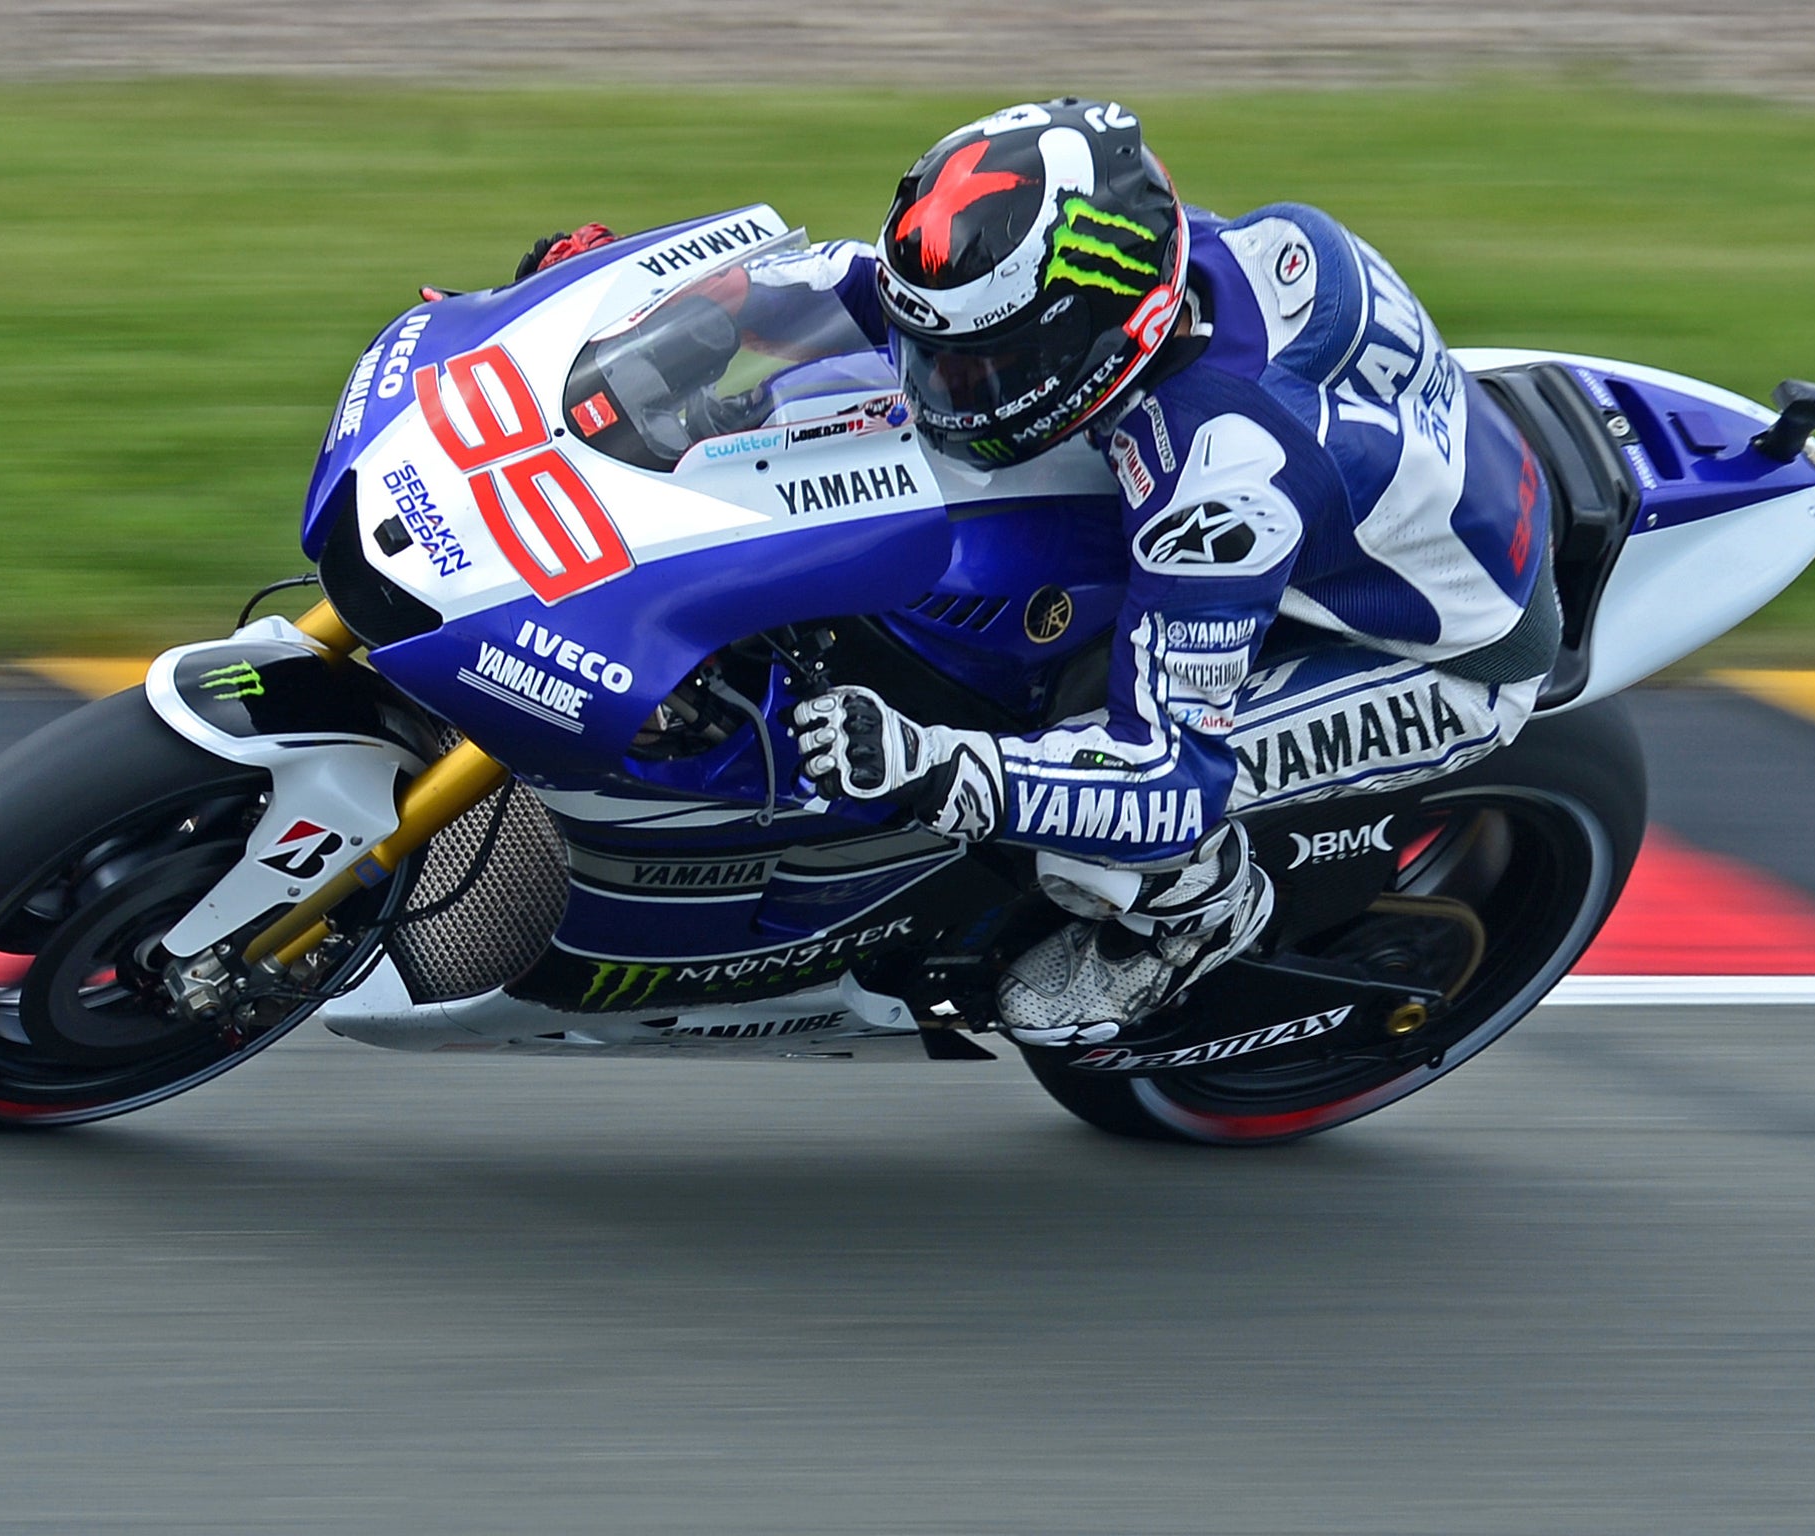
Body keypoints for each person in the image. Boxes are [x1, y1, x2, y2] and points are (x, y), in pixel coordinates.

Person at [521, 98, 1558, 1048]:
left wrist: (929, 763)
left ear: (1101, 345)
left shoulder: (1218, 484)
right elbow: (858, 292)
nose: (936, 383)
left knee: (1079, 815)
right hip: (1368, 485)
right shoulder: (1111, 270)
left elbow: (1164, 781)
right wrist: (633, 319)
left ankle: (1192, 921)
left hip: (1433, 656)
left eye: (976, 369)